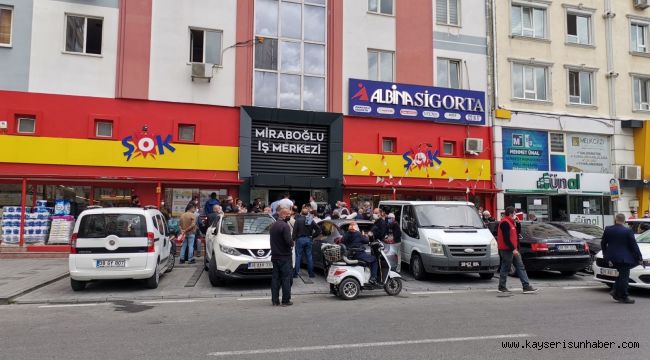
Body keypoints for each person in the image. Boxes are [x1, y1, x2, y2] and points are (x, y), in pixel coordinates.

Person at [601, 213, 644, 304]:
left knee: (622, 275)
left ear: (615, 219)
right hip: (624, 258)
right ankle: (624, 296)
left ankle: (615, 291)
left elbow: (603, 243)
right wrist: (639, 257)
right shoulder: (627, 231)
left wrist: (606, 255)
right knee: (624, 277)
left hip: (612, 258)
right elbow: (634, 245)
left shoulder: (608, 229)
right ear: (624, 221)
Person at [496, 206, 537, 294]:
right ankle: (501, 286)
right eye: (514, 213)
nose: (515, 215)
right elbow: (506, 238)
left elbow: (517, 232)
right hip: (506, 249)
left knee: (520, 266)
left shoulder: (511, 222)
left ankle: (526, 286)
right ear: (511, 214)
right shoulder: (505, 223)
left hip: (513, 249)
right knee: (506, 267)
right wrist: (513, 249)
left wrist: (518, 223)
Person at [270, 207, 294, 306]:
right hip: (284, 256)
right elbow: (288, 241)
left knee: (275, 278)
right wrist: (292, 243)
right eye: (289, 214)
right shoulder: (285, 226)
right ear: (283, 215)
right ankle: (285, 300)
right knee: (286, 279)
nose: (290, 216)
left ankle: (275, 301)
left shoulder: (273, 225)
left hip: (275, 256)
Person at [292, 204, 322, 278]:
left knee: (298, 256)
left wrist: (293, 240)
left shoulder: (298, 220)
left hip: (299, 239)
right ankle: (311, 274)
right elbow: (318, 229)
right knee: (309, 256)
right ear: (307, 213)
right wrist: (313, 236)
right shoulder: (310, 219)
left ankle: (295, 274)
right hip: (308, 239)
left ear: (301, 213)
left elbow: (294, 232)